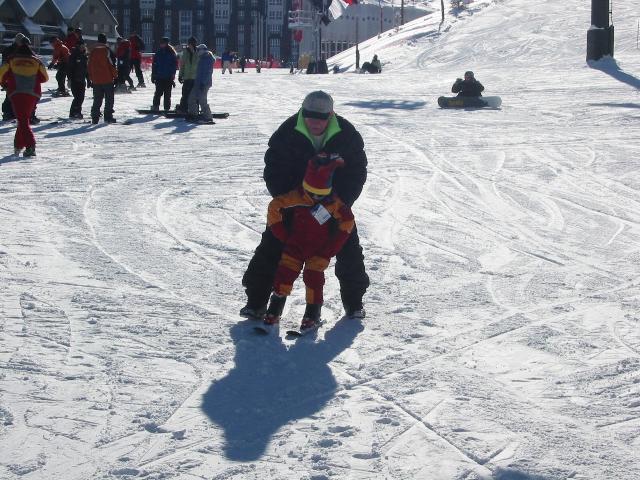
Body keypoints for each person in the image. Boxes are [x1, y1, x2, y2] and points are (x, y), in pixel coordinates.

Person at [241, 91, 369, 321]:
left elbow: (356, 172)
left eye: (321, 118)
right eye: (310, 117)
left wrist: (337, 204)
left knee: (349, 248)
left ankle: (354, 302)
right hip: (295, 205)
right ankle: (256, 302)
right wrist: (293, 200)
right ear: (302, 112)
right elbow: (274, 170)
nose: (315, 122)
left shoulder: (347, 135)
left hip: (332, 208)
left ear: (331, 115)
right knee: (272, 245)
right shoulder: (287, 133)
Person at [258, 154, 355, 334]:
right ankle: (274, 311)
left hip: (319, 251)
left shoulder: (332, 202)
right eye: (312, 193)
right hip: (294, 246)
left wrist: (332, 247)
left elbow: (347, 220)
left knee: (313, 279)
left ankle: (312, 315)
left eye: (321, 194)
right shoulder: (298, 196)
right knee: (284, 276)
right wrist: (281, 233)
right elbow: (275, 206)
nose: (316, 198)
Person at [0, 41, 48, 156]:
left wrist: (4, 84)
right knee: (23, 119)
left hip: (16, 93)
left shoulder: (11, 60)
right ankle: (18, 145)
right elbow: (45, 78)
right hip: (33, 93)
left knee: (22, 120)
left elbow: (1, 75)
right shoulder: (37, 61)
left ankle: (30, 146)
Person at [88, 33, 118, 124]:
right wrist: (115, 76)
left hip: (96, 79)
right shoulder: (107, 50)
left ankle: (95, 117)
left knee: (97, 99)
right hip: (107, 78)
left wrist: (90, 78)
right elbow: (112, 64)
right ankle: (108, 117)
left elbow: (89, 65)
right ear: (105, 40)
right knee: (109, 99)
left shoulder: (92, 51)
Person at [187, 44, 214, 122]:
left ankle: (208, 117)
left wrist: (203, 83)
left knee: (202, 100)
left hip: (204, 83)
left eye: (198, 50)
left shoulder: (207, 58)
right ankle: (193, 114)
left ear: (203, 50)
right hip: (198, 83)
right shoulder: (202, 58)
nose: (197, 51)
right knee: (191, 98)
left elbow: (208, 72)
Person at [150, 37, 178, 112]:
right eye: (161, 43)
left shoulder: (171, 52)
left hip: (168, 77)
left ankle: (166, 108)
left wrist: (173, 74)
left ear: (166, 43)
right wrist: (153, 75)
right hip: (159, 76)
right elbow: (154, 65)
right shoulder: (158, 53)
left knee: (167, 94)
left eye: (162, 43)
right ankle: (155, 106)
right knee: (158, 93)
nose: (161, 44)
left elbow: (174, 65)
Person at [67, 40, 90, 118]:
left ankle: (77, 112)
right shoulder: (74, 55)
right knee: (78, 97)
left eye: (84, 46)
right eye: (82, 46)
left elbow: (86, 69)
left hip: (82, 80)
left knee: (81, 97)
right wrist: (69, 79)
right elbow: (69, 68)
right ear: (78, 46)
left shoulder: (84, 56)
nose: (83, 47)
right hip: (75, 79)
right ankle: (74, 112)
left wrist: (88, 79)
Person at [176, 36, 198, 113]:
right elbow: (182, 65)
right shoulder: (186, 52)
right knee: (185, 94)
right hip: (187, 77)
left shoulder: (198, 52)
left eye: (192, 44)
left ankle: (194, 109)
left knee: (195, 95)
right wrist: (180, 75)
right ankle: (183, 108)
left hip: (195, 78)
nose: (191, 45)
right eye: (190, 44)